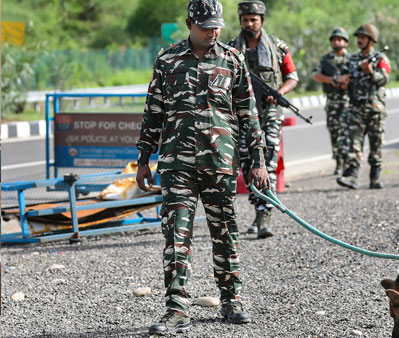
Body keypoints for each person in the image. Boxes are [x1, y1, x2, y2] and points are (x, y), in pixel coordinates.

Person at [135, 0, 269, 334]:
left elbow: (248, 113)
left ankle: (231, 300)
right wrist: (142, 159)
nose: (213, 32)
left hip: (218, 162)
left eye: (217, 26)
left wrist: (258, 161)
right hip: (176, 164)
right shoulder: (168, 61)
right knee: (176, 235)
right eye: (207, 26)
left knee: (224, 231)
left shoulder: (232, 59)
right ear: (189, 24)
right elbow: (153, 112)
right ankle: (177, 308)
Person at [228, 0, 299, 238]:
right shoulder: (231, 50)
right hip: (243, 115)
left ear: (262, 21)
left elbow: (292, 77)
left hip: (269, 113)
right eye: (245, 20)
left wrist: (279, 94)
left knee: (266, 160)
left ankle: (265, 212)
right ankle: (259, 209)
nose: (249, 23)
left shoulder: (277, 47)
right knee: (247, 163)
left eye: (253, 19)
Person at [336, 24, 390, 190]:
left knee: (376, 145)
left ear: (371, 40)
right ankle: (352, 176)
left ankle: (375, 178)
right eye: (358, 37)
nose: (359, 40)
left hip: (375, 109)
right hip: (356, 108)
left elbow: (384, 79)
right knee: (354, 143)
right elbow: (341, 78)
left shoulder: (381, 59)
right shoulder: (351, 59)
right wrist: (342, 82)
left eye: (363, 37)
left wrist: (370, 71)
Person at [311, 27, 351, 175]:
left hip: (348, 102)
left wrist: (347, 82)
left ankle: (348, 163)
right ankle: (339, 163)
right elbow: (315, 75)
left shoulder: (351, 59)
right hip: (333, 103)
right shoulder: (326, 60)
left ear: (346, 42)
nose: (337, 42)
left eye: (340, 39)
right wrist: (333, 80)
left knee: (348, 134)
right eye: (334, 39)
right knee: (335, 134)